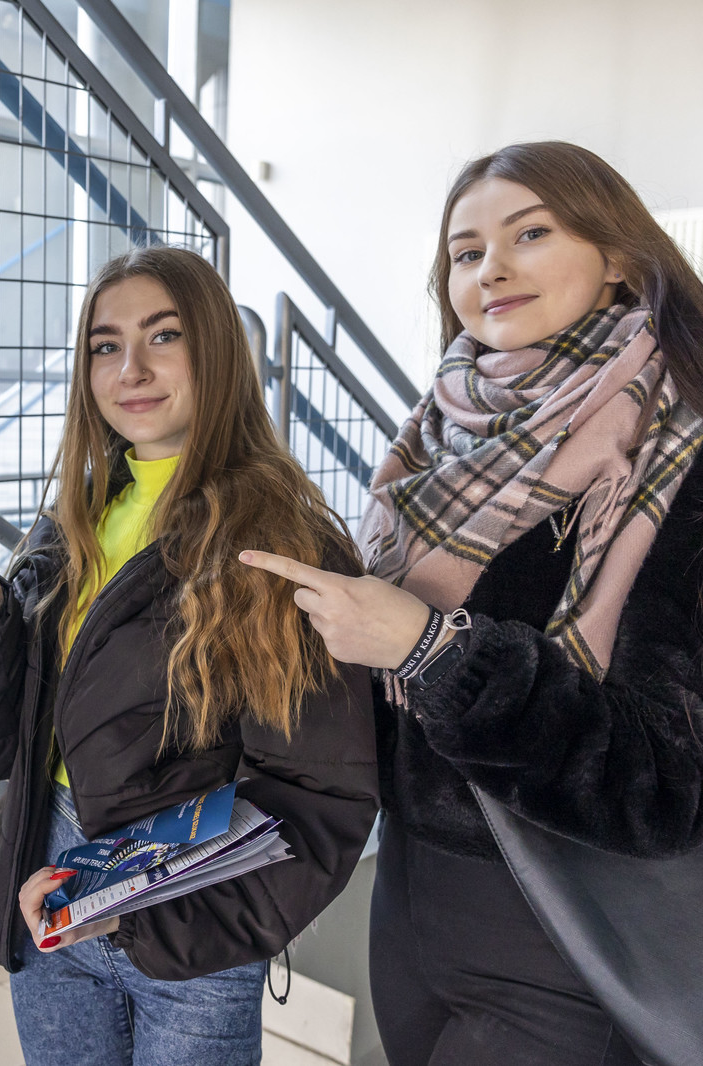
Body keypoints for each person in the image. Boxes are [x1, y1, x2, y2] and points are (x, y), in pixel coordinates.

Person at [239, 141, 703, 1065]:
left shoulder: (680, 457)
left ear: (618, 255)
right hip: (411, 896)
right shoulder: (438, 439)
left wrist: (435, 651)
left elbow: (667, 784)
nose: (490, 268)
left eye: (529, 234)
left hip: (563, 924)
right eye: (465, 251)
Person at [0, 245, 379, 1066]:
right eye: (105, 346)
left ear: (216, 351)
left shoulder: (284, 543)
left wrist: (145, 911)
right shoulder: (73, 520)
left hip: (188, 922)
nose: (130, 369)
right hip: (48, 885)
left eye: (163, 336)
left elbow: (316, 795)